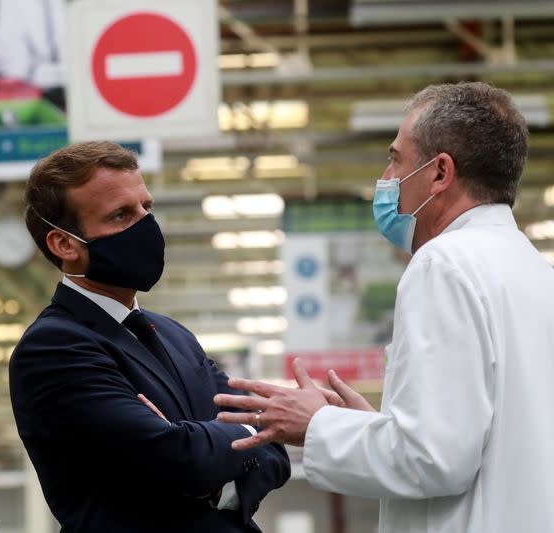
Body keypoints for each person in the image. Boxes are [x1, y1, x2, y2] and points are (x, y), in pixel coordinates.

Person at [214, 81, 554, 532]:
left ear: (439, 173)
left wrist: (316, 425)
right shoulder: (534, 271)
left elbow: (433, 460)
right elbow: (478, 437)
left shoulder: (443, 264)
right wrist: (375, 427)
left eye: (395, 158)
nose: (387, 178)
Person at [9, 141, 290, 532]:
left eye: (147, 208)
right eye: (122, 215)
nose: (145, 224)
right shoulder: (54, 347)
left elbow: (274, 448)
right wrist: (240, 434)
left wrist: (207, 474)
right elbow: (174, 456)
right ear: (64, 244)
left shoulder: (175, 336)